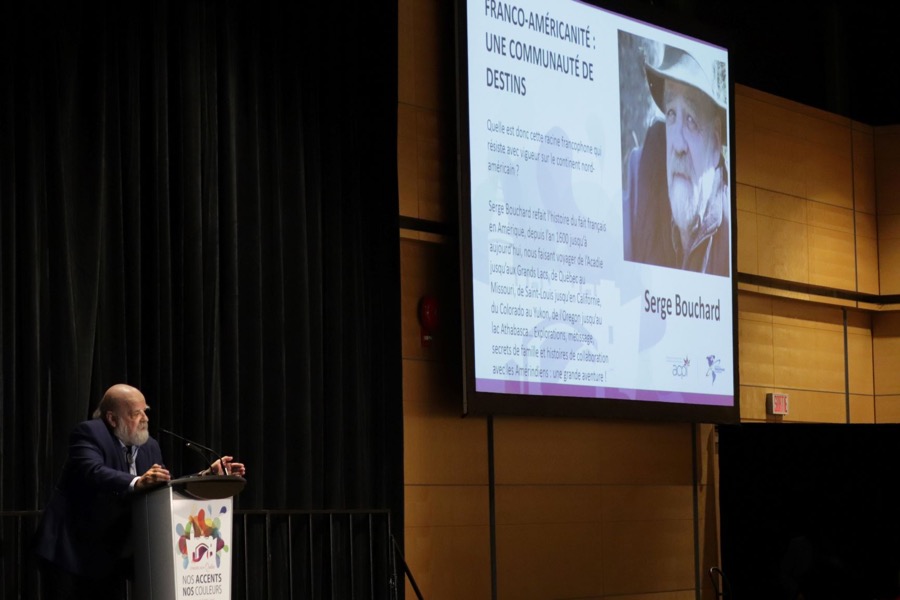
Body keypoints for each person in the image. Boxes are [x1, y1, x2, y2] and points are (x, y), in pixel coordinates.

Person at [33, 383, 246, 599]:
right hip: (69, 552)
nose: (145, 418)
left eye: (146, 411)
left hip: (109, 554)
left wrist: (205, 476)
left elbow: (162, 486)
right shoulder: (90, 433)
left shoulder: (149, 446)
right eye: (136, 413)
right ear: (112, 418)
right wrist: (137, 482)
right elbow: (94, 471)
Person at [622, 44, 730, 276]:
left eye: (691, 120)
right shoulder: (640, 179)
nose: (678, 146)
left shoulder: (729, 234)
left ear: (714, 142)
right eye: (671, 113)